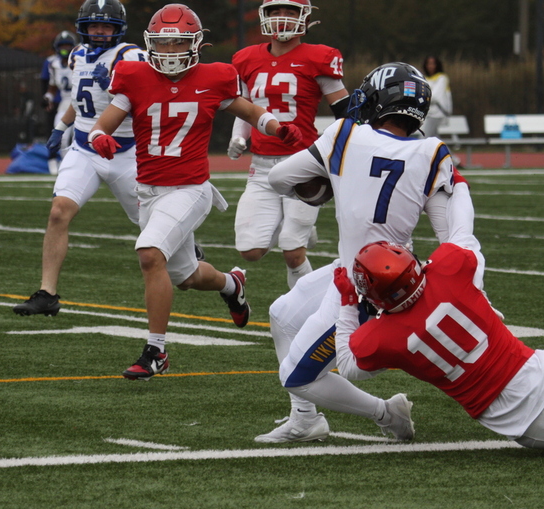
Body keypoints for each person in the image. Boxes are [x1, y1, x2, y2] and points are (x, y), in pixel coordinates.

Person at [260, 62, 473, 443]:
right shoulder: (431, 151)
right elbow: (449, 237)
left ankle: (386, 413)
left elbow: (279, 178)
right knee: (282, 314)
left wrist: (325, 184)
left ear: (378, 100)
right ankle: (304, 419)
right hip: (388, 271)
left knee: (295, 376)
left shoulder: (345, 134)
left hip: (366, 287)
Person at [89, 3, 303, 381]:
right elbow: (101, 125)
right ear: (151, 43)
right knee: (186, 277)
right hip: (149, 192)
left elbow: (251, 112)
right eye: (164, 43)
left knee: (149, 253)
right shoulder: (134, 75)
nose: (171, 51)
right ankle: (231, 284)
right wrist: (99, 139)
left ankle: (156, 351)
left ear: (196, 43)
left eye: (179, 43)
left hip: (190, 189)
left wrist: (277, 128)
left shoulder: (213, 77)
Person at [335, 240, 544, 450]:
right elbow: (465, 241)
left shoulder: (379, 338)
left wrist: (347, 303)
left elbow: (347, 365)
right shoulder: (449, 268)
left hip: (540, 435)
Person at [13, 0, 145, 317]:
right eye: (94, 25)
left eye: (106, 25)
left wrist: (113, 84)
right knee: (59, 212)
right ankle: (47, 294)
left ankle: (186, 248)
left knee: (151, 221)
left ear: (118, 28)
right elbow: (77, 98)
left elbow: (145, 98)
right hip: (84, 149)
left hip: (124, 152)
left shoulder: (131, 55)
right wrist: (61, 127)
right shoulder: (76, 55)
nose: (99, 31)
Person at [227, 0, 349, 289]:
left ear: (304, 17)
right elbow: (245, 107)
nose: (282, 17)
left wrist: (333, 149)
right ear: (265, 16)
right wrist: (239, 136)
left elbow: (345, 112)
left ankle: (309, 308)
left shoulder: (318, 57)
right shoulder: (246, 58)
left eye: (290, 11)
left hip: (302, 162)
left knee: (292, 252)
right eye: (276, 11)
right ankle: (299, 226)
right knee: (250, 250)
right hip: (262, 165)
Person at [43, 30, 79, 174]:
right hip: (64, 104)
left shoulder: (80, 60)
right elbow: (52, 87)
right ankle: (66, 167)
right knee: (61, 137)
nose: (65, 49)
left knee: (78, 137)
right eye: (62, 46)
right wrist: (47, 98)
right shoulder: (54, 64)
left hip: (80, 102)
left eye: (67, 45)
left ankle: (76, 166)